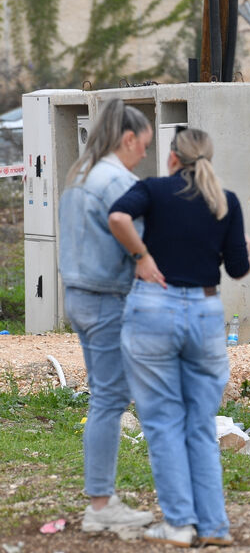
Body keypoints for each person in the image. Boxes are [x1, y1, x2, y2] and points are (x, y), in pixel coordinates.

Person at [107, 127, 250, 547]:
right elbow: (239, 269)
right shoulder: (226, 201)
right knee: (199, 425)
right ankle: (214, 527)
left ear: (172, 158)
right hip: (205, 314)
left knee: (163, 423)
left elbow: (117, 217)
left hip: (155, 307)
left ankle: (178, 524)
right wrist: (243, 247)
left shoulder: (152, 189)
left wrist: (143, 256)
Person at [56, 99, 155, 533]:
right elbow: (134, 231)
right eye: (144, 145)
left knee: (108, 395)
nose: (145, 155)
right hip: (107, 298)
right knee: (110, 400)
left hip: (78, 295)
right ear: (128, 138)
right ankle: (100, 505)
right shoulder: (117, 180)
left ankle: (103, 500)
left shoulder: (80, 175)